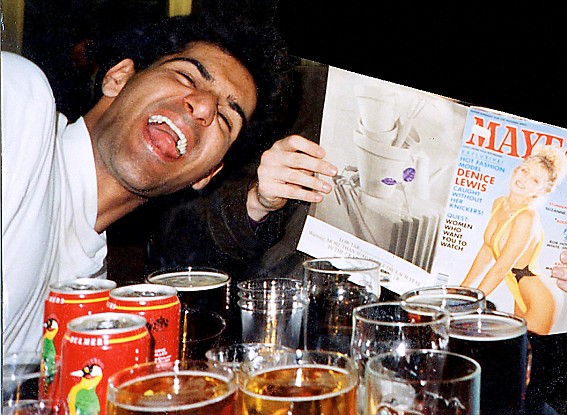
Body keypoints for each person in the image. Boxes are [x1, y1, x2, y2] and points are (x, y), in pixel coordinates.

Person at [1, 13, 338, 355]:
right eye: (186, 76)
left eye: (225, 118)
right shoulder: (20, 101)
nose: (203, 107)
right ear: (118, 78)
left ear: (206, 174)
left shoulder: (89, 288)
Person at [460, 146, 567, 334]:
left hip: (539, 298)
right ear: (516, 169)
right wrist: (461, 291)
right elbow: (486, 252)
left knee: (521, 349)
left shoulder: (527, 217)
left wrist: (472, 304)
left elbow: (501, 268)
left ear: (541, 191)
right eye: (524, 170)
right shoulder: (499, 203)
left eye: (535, 180)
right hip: (518, 294)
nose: (524, 179)